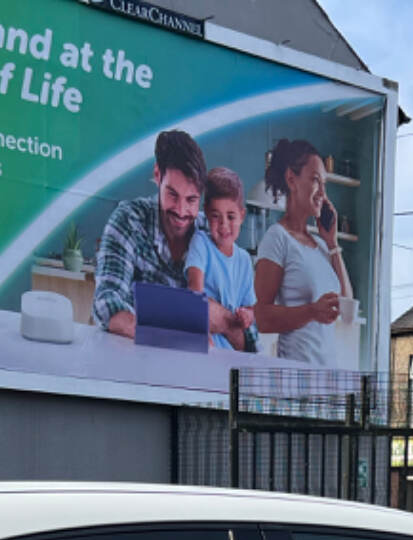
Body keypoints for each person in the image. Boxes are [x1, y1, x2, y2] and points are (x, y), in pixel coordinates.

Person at [93, 129, 245, 347]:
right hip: (136, 361)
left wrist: (225, 320)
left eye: (191, 199)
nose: (182, 211)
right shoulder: (129, 220)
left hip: (201, 366)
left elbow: (239, 327)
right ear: (157, 175)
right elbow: (106, 301)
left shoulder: (211, 233)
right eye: (172, 195)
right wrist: (176, 334)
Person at [252, 138, 353, 367]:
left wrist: (333, 243)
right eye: (316, 180)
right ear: (291, 179)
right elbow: (260, 316)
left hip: (327, 378)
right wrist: (312, 312)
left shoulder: (321, 245)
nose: (323, 194)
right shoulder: (277, 238)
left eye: (324, 184)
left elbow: (347, 309)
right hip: (296, 377)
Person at [184, 168, 257, 353]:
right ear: (206, 213)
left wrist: (247, 316)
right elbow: (194, 288)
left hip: (232, 353)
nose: (224, 225)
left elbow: (250, 308)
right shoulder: (201, 242)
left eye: (231, 216)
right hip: (204, 346)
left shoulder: (244, 260)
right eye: (216, 216)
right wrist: (201, 329)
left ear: (242, 215)